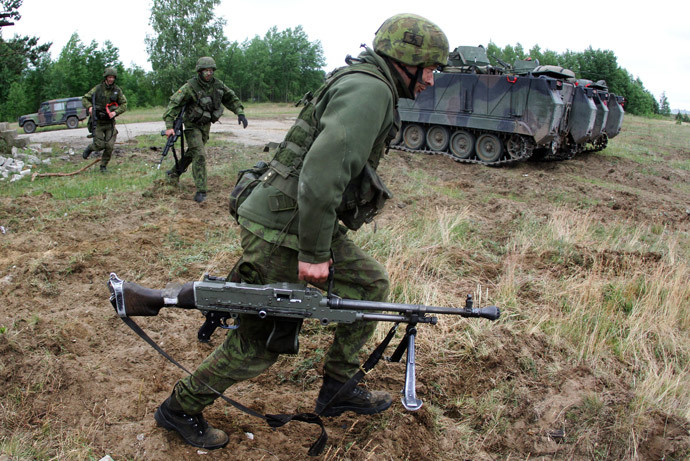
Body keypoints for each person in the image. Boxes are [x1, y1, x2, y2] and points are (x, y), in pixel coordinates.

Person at [153, 14, 449, 449]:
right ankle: (179, 408)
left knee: (369, 283)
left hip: (283, 216)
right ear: (407, 60)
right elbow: (321, 172)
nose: (432, 80)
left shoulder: (366, 81)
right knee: (258, 345)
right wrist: (312, 252)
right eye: (430, 69)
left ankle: (339, 388)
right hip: (287, 227)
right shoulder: (372, 90)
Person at [162, 57, 249, 203]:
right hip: (192, 125)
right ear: (199, 71)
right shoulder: (190, 86)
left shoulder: (218, 85)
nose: (208, 73)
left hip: (205, 126)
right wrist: (169, 127)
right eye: (205, 71)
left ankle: (173, 173)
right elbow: (173, 105)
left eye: (211, 70)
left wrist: (240, 113)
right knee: (200, 154)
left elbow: (231, 98)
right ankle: (201, 191)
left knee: (194, 152)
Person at [82, 67, 128, 172]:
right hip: (98, 122)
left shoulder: (117, 90)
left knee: (110, 146)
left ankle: (103, 166)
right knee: (99, 145)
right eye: (109, 77)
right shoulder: (98, 89)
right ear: (106, 77)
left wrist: (115, 112)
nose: (111, 79)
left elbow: (124, 104)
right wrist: (89, 107)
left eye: (113, 77)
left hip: (110, 123)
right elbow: (85, 98)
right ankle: (90, 148)